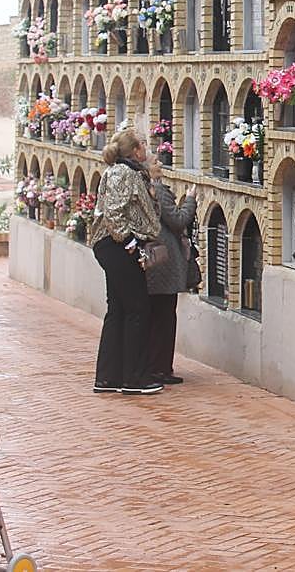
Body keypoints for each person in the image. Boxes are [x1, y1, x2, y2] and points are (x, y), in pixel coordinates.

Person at [90, 128, 162, 395]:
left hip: (115, 245)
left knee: (119, 309)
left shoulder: (129, 173)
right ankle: (135, 377)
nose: (147, 149)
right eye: (143, 144)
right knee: (138, 309)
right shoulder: (123, 173)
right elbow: (114, 212)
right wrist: (130, 243)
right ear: (134, 151)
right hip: (117, 245)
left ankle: (110, 377)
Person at [144, 153, 197, 386]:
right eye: (155, 161)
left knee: (157, 316)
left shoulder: (145, 187)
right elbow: (177, 220)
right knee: (165, 317)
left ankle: (155, 365)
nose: (160, 164)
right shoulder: (158, 189)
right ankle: (161, 368)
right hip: (164, 263)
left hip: (154, 262)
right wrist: (190, 199)